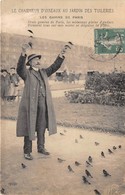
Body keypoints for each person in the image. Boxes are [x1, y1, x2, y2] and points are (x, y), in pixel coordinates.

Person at [16, 42, 71, 160]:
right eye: (35, 59)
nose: (38, 61)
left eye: (38, 59)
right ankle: (27, 152)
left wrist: (61, 54)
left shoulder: (44, 72)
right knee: (29, 127)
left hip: (43, 106)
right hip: (31, 107)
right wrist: (23, 53)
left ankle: (41, 147)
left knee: (41, 126)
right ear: (30, 62)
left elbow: (55, 66)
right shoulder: (27, 73)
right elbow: (19, 69)